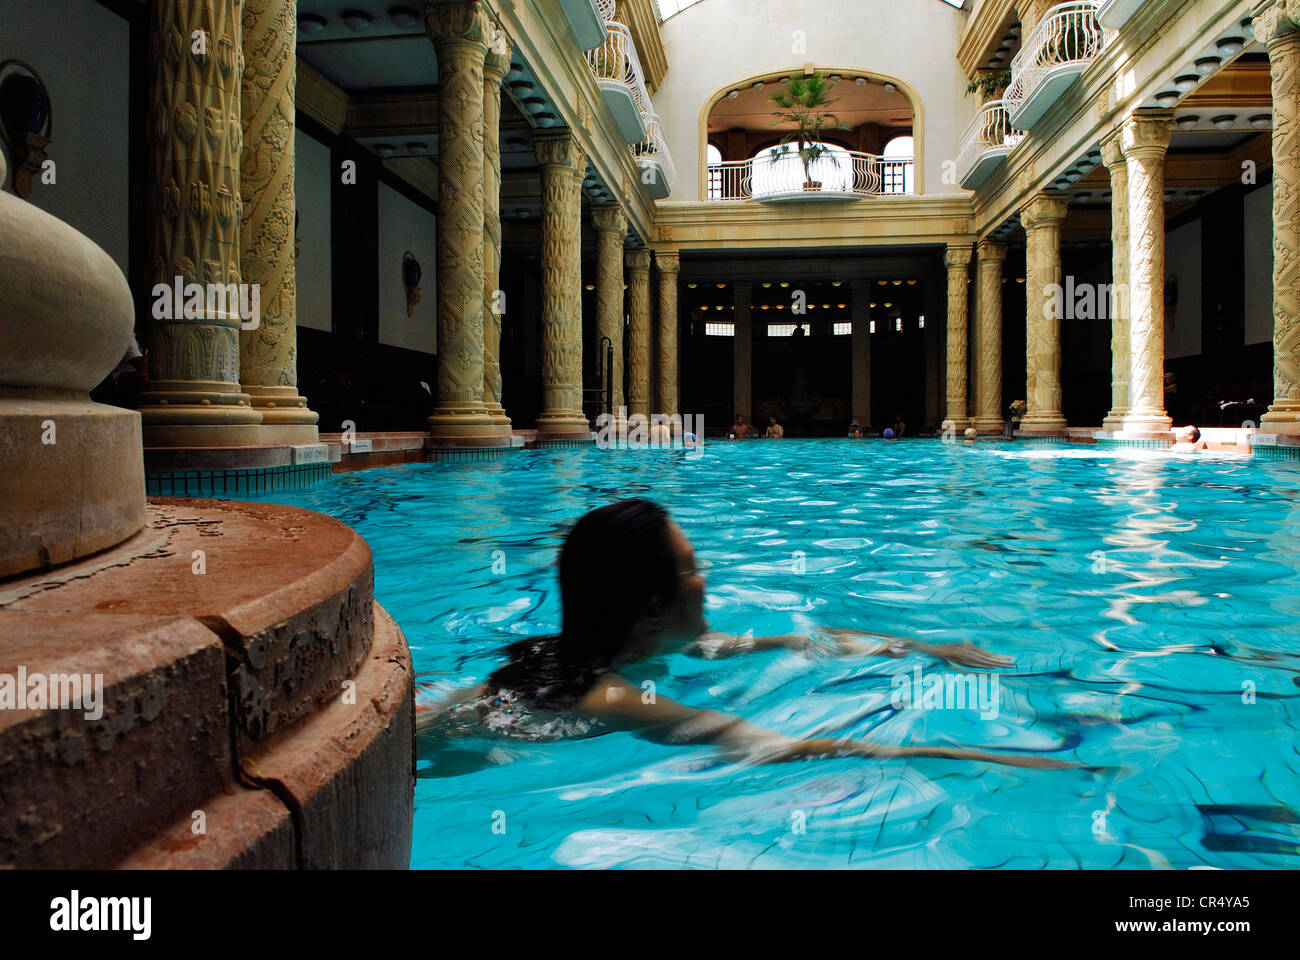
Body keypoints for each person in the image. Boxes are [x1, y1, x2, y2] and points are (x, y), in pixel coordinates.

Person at [417, 500, 1074, 770]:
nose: (706, 579)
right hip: (431, 762)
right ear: (650, 608)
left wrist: (928, 648)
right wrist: (969, 755)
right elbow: (767, 745)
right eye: (692, 567)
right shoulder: (609, 696)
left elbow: (797, 643)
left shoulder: (625, 645)